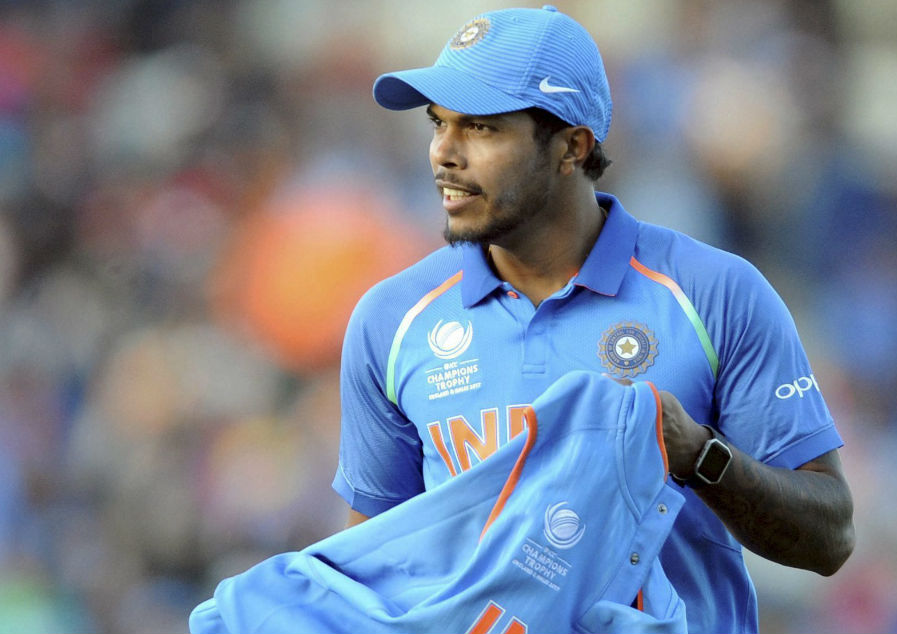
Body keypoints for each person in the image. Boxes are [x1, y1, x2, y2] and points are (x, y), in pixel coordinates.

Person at [333, 6, 855, 633]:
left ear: (571, 147)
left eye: (480, 127)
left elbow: (829, 537)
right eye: (438, 123)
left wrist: (698, 455)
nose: (443, 153)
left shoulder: (715, 292)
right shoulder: (391, 320)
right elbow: (365, 582)